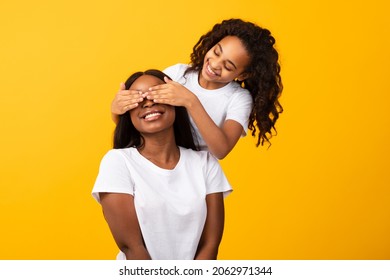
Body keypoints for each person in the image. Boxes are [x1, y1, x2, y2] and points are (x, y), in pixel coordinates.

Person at [92, 70, 232, 260]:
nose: (148, 102)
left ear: (175, 103)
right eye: (138, 99)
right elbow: (131, 246)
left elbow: (210, 245)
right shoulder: (118, 162)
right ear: (128, 114)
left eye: (156, 94)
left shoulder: (205, 164)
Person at [111, 18, 283, 159]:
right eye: (216, 52)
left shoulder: (238, 98)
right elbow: (141, 118)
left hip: (199, 174)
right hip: (160, 160)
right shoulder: (178, 73)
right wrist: (116, 110)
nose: (215, 64)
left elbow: (221, 150)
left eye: (228, 66)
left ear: (243, 75)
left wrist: (190, 101)